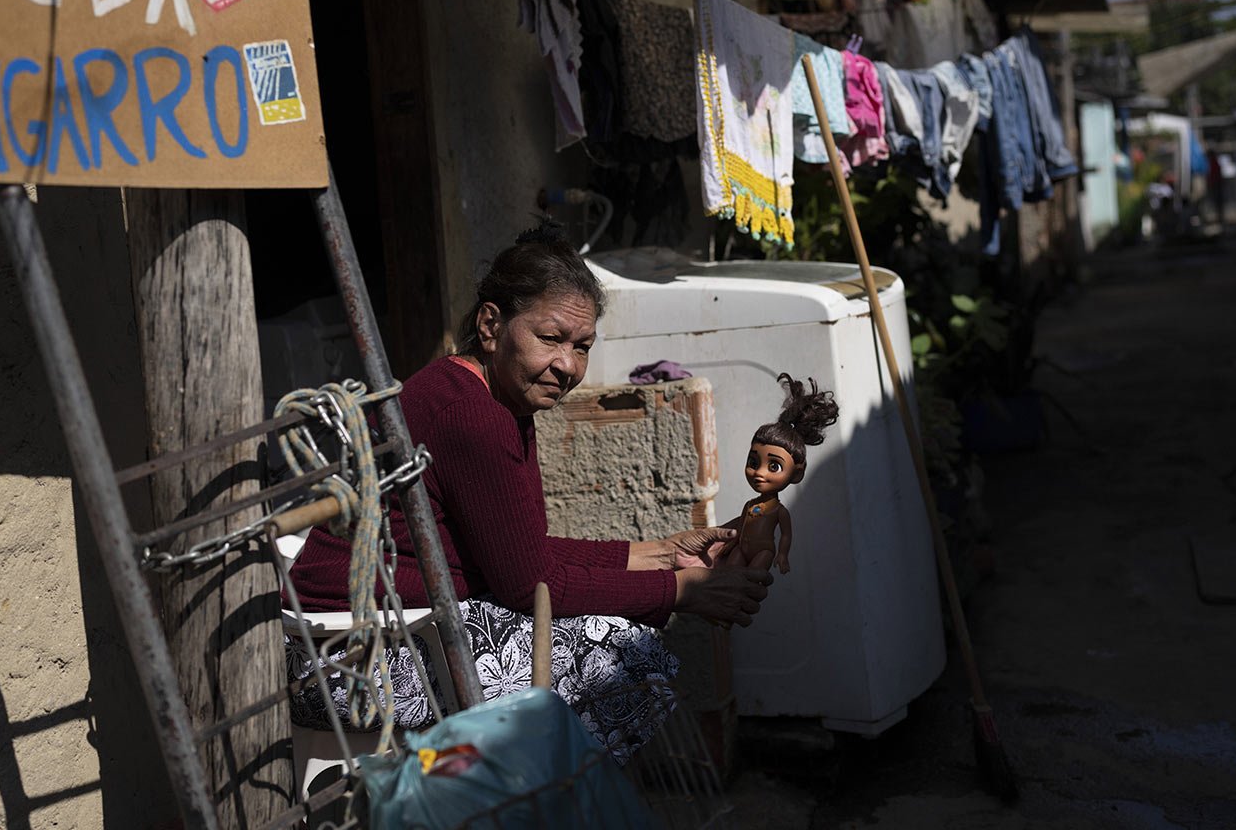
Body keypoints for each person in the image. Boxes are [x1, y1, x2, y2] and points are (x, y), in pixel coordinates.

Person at [286, 222, 774, 761]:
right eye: (551, 338)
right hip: (347, 657)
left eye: (582, 347)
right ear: (491, 325)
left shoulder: (488, 395)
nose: (567, 366)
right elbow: (532, 586)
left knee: (612, 643)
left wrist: (660, 553)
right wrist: (683, 590)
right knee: (627, 662)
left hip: (396, 629)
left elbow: (521, 554)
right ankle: (503, 806)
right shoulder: (472, 415)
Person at [736, 374, 840, 574]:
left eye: (774, 466)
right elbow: (741, 528)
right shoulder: (749, 505)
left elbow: (785, 535)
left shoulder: (779, 511)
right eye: (753, 462)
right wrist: (731, 543)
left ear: (796, 474)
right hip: (741, 549)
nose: (759, 473)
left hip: (763, 553)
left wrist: (782, 554)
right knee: (729, 574)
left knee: (750, 578)